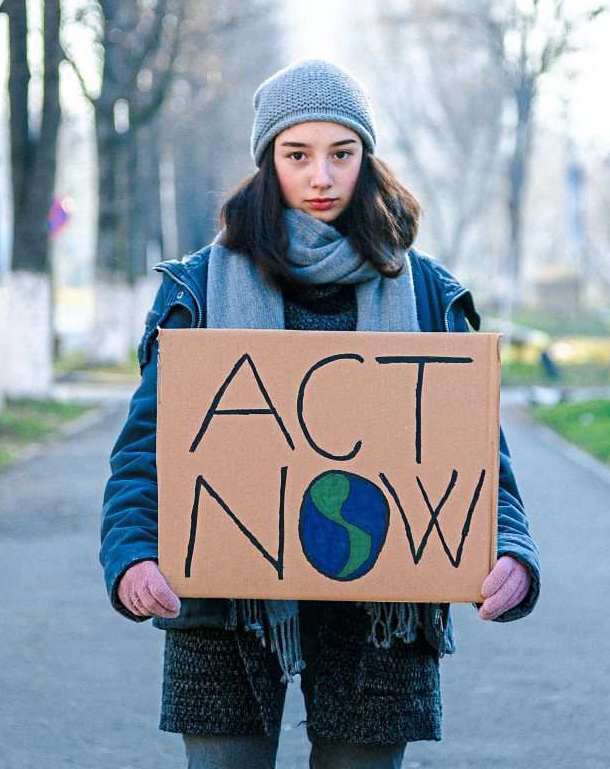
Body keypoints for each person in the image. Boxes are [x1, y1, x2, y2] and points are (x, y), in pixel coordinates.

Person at [99, 59, 540, 769]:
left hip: (383, 612)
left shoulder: (428, 293)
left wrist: (514, 549)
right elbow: (144, 449)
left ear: (367, 160)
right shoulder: (200, 288)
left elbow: (476, 455)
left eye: (342, 154)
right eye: (296, 155)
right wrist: (130, 556)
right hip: (224, 604)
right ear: (267, 162)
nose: (321, 178)